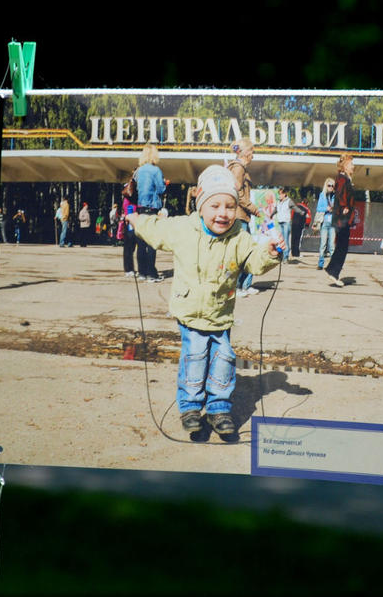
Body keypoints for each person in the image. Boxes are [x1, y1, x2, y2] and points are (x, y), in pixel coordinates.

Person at [125, 164, 281, 437]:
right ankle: (191, 407)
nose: (223, 213)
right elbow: (157, 230)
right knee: (195, 357)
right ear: (200, 205)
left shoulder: (239, 237)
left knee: (223, 359)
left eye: (230, 206)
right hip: (190, 312)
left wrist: (268, 253)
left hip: (220, 314)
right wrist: (137, 220)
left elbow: (254, 261)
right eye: (215, 205)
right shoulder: (184, 228)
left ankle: (219, 407)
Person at [227, 138, 264, 297]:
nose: (253, 156)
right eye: (252, 152)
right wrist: (254, 209)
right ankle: (237, 288)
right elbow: (238, 194)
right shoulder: (238, 168)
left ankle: (244, 286)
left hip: (241, 216)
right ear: (246, 152)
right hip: (239, 217)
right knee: (243, 253)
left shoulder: (238, 167)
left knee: (246, 251)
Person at [134, 144, 166, 282]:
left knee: (141, 241)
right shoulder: (156, 170)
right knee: (151, 241)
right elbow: (161, 189)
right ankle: (151, 274)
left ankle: (141, 272)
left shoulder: (139, 171)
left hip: (140, 207)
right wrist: (165, 184)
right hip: (152, 207)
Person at [324, 154, 356, 287]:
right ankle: (333, 272)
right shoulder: (342, 179)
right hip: (342, 217)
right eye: (351, 164)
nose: (353, 166)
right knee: (342, 246)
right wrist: (344, 207)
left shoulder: (344, 178)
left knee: (342, 246)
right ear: (345, 166)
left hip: (343, 217)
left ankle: (332, 270)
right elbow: (341, 194)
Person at [314, 177, 336, 269]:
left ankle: (333, 265)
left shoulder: (335, 196)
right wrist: (326, 208)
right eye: (329, 185)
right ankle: (320, 264)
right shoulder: (322, 195)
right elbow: (318, 208)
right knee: (323, 244)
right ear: (326, 186)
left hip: (333, 223)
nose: (331, 187)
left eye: (332, 186)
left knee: (332, 245)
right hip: (324, 222)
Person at [120, 177, 138, 276]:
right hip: (130, 223)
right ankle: (128, 269)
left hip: (132, 222)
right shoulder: (128, 197)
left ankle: (129, 269)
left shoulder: (132, 197)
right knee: (129, 247)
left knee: (131, 247)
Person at [274, 187, 298, 262]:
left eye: (280, 194)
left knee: (286, 240)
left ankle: (286, 257)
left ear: (284, 194)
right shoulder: (278, 202)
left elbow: (295, 208)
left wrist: (302, 212)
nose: (279, 196)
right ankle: (280, 256)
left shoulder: (289, 201)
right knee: (280, 240)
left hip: (286, 223)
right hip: (280, 222)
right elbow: (275, 210)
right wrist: (271, 214)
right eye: (279, 194)